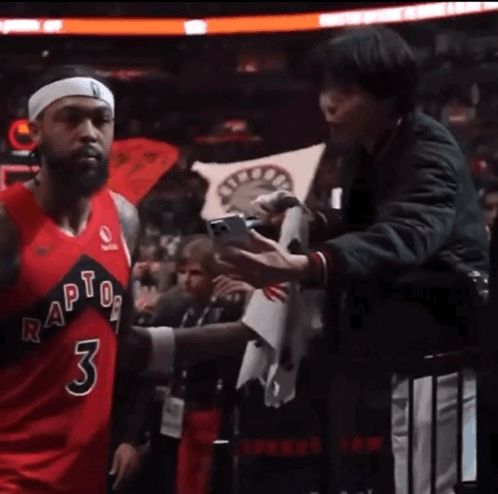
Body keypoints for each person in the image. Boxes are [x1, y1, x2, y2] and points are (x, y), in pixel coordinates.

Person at [212, 26, 489, 494]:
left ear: (388, 94)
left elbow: (406, 233)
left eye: (345, 91)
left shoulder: (430, 150)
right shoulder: (364, 149)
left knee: (433, 485)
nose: (327, 103)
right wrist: (307, 220)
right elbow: (365, 221)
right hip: (396, 354)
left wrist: (307, 265)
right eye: (325, 88)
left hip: (444, 356)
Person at [0, 64, 153, 494]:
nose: (88, 133)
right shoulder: (6, 225)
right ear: (35, 131)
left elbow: (126, 343)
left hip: (88, 473)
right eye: (70, 118)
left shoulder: (124, 218)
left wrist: (131, 431)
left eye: (101, 120)